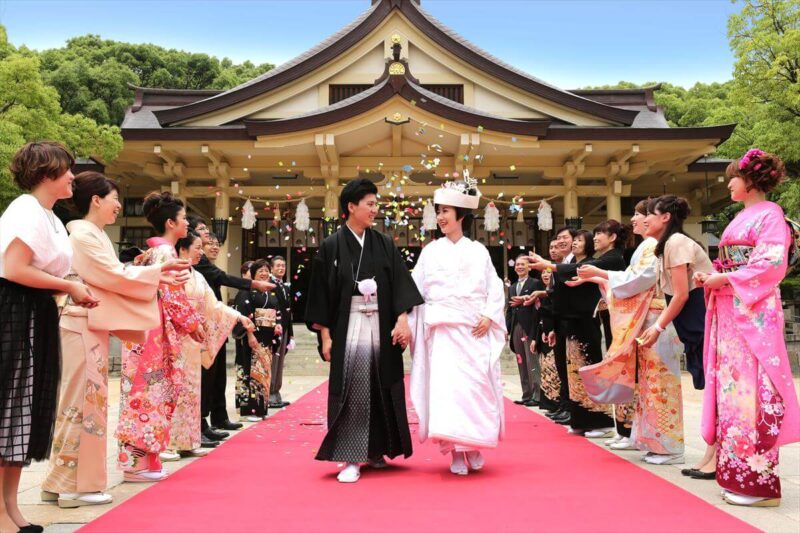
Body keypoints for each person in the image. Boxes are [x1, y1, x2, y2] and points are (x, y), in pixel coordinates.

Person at [42, 172, 189, 508]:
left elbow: (115, 275)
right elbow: (111, 276)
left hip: (89, 324)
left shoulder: (92, 234)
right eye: (114, 198)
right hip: (80, 322)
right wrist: (158, 274)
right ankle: (75, 486)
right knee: (82, 405)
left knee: (82, 404)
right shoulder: (82, 234)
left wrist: (157, 277)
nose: (118, 206)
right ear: (96, 200)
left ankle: (59, 481)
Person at [0, 142, 98, 533]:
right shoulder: (25, 209)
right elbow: (13, 268)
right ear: (46, 173)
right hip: (13, 311)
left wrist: (70, 288)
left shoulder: (50, 217)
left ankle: (11, 506)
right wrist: (69, 287)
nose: (73, 176)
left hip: (35, 311)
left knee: (23, 412)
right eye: (67, 170)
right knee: (9, 409)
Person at [696, 149, 800, 507]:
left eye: (732, 178)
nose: (728, 184)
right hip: (730, 310)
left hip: (752, 312)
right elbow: (729, 262)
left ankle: (757, 483)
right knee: (731, 392)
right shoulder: (740, 218)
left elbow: (770, 265)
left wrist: (721, 277)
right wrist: (714, 277)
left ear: (751, 180)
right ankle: (736, 474)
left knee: (751, 392)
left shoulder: (771, 215)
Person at [305, 178, 423, 483]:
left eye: (375, 204)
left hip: (382, 326)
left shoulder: (383, 243)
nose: (375, 209)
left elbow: (399, 284)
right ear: (351, 207)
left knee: (383, 388)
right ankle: (351, 457)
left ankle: (377, 450)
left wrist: (401, 320)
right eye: (370, 204)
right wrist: (325, 336)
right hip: (349, 328)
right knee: (353, 390)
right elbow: (321, 296)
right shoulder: (331, 245)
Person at [409, 175, 506, 476]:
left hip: (474, 330)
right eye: (438, 212)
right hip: (442, 332)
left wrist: (490, 315)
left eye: (445, 212)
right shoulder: (430, 252)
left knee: (475, 389)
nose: (439, 217)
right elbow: (416, 290)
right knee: (446, 392)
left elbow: (495, 287)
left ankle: (474, 445)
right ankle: (453, 451)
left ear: (460, 215)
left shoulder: (478, 251)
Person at [575, 200, 685, 459]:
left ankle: (668, 445)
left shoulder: (655, 245)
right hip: (649, 319)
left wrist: (601, 274)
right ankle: (653, 440)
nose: (636, 220)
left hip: (658, 318)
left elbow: (641, 279)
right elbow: (634, 280)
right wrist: (601, 279)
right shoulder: (648, 245)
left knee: (661, 382)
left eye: (641, 214)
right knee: (649, 383)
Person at [115, 191, 204, 482]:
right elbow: (173, 294)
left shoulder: (154, 252)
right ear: (170, 222)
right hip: (153, 335)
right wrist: (193, 324)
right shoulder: (165, 253)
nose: (187, 224)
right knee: (150, 394)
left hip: (147, 330)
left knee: (147, 395)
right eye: (182, 219)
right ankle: (135, 465)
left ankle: (147, 460)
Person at [529, 222, 627, 438]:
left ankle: (600, 421)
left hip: (586, 321)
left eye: (579, 240)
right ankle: (581, 419)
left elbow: (578, 274)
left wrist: (549, 265)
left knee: (589, 369)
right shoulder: (577, 262)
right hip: (570, 322)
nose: (573, 242)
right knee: (574, 374)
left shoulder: (604, 260)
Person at [165, 232, 254, 460]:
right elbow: (170, 304)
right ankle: (170, 442)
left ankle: (187, 440)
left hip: (194, 341)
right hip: (176, 338)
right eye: (197, 247)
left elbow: (213, 305)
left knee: (192, 391)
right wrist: (191, 323)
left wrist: (238, 317)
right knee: (175, 391)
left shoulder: (197, 275)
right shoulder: (172, 272)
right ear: (183, 249)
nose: (201, 251)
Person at [640, 195, 714, 468]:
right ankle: (712, 454)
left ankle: (715, 455)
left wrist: (658, 328)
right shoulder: (667, 244)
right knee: (709, 385)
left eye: (650, 213)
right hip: (691, 321)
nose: (644, 218)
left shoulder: (677, 242)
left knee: (713, 384)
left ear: (665, 217)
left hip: (701, 316)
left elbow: (681, 294)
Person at [188, 217, 274, 440]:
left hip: (215, 323)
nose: (208, 238)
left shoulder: (197, 267)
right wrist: (253, 283)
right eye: (202, 233)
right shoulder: (190, 265)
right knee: (204, 379)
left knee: (216, 378)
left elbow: (214, 300)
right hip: (194, 327)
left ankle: (215, 418)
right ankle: (199, 424)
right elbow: (222, 279)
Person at [234, 260, 282, 421]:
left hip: (267, 338)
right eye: (260, 270)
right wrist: (249, 334)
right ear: (253, 274)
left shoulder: (270, 292)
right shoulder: (246, 291)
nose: (263, 273)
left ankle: (261, 407)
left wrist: (277, 326)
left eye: (266, 270)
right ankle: (249, 410)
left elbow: (277, 312)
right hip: (253, 336)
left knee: (263, 373)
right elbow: (243, 315)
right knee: (250, 370)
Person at [506, 254, 543, 406]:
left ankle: (537, 395)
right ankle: (526, 394)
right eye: (517, 264)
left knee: (532, 360)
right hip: (516, 327)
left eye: (523, 264)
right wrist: (508, 328)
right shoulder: (513, 287)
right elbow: (509, 309)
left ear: (529, 267)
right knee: (521, 361)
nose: (520, 267)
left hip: (530, 326)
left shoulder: (535, 283)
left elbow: (538, 307)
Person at [528, 268, 559, 413]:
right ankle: (548, 403)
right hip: (542, 334)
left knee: (554, 369)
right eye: (543, 273)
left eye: (549, 272)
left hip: (554, 333)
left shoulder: (554, 293)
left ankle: (557, 404)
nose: (546, 275)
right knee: (545, 369)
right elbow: (536, 318)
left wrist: (552, 329)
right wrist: (534, 338)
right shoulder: (540, 293)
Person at [268, 256, 294, 409]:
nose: (281, 268)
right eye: (277, 265)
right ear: (272, 268)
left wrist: (290, 333)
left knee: (280, 362)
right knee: (273, 361)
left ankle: (276, 392)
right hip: (274, 329)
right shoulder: (269, 285)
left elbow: (288, 312)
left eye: (283, 265)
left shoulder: (284, 286)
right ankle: (270, 392)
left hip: (284, 328)